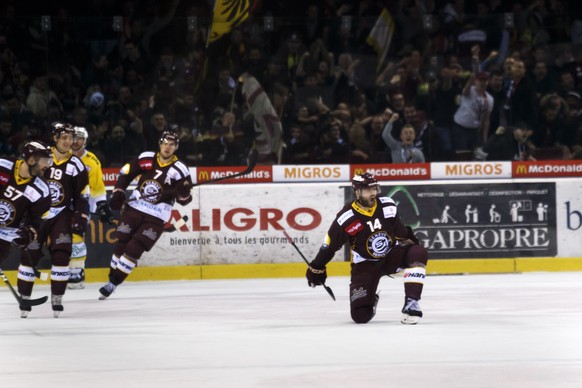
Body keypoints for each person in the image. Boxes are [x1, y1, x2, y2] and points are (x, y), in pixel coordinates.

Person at [305, 173, 429, 325]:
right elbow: (329, 247)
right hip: (365, 265)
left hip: (390, 256)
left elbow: (401, 233)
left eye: (374, 189)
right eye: (368, 190)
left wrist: (415, 251)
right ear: (357, 192)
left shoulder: (387, 205)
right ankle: (371, 298)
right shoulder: (346, 218)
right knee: (360, 316)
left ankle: (412, 304)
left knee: (418, 252)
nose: (373, 193)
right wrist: (316, 268)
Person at [99, 131, 193, 299]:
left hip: (157, 215)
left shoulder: (181, 169)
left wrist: (184, 193)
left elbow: (184, 200)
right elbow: (126, 174)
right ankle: (111, 280)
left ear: (176, 147)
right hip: (135, 208)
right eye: (165, 143)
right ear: (160, 143)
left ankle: (113, 284)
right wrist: (118, 192)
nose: (168, 147)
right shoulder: (146, 158)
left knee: (135, 248)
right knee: (122, 245)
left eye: (172, 144)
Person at [17, 123, 90, 318]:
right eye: (64, 138)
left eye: (70, 138)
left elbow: (82, 196)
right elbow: (24, 182)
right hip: (37, 215)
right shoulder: (41, 157)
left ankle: (57, 298)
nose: (68, 142)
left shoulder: (76, 165)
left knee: (61, 255)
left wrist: (80, 218)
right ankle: (24, 297)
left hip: (61, 215)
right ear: (55, 138)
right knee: (29, 255)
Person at [68, 126, 113, 289]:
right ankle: (64, 268)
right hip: (61, 203)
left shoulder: (92, 161)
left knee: (76, 233)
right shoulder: (59, 157)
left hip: (81, 203)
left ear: (85, 141)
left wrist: (101, 204)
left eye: (79, 138)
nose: (75, 141)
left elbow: (98, 186)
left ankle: (77, 271)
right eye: (73, 137)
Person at [0, 142, 52, 269]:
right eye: (45, 161)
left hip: (5, 234)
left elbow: (38, 220)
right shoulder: (3, 166)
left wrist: (29, 233)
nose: (48, 166)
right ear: (31, 159)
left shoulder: (42, 190)